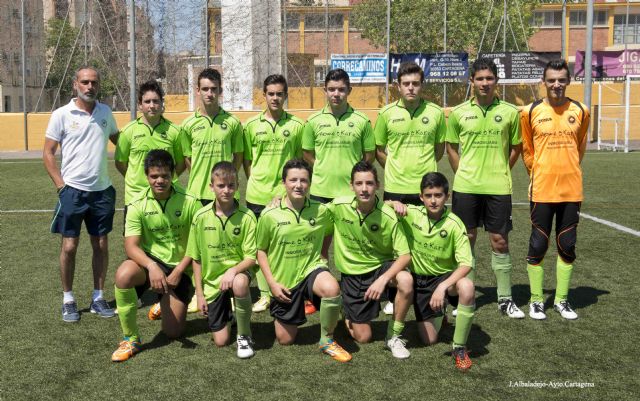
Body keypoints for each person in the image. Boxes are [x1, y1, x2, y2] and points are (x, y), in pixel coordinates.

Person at [445, 58, 524, 318]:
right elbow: (451, 148)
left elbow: (515, 148)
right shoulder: (458, 113)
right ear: (472, 81)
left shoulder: (511, 112)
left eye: (489, 78)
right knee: (466, 241)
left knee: (500, 241)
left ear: (496, 81)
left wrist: (501, 169)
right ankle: (466, 297)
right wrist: (463, 173)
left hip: (498, 187)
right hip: (466, 186)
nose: (484, 83)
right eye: (480, 78)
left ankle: (505, 298)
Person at [256, 159, 351, 363]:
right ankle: (331, 308)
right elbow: (261, 250)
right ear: (284, 182)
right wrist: (271, 283)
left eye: (304, 180)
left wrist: (323, 254)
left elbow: (329, 229)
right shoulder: (269, 215)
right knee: (285, 340)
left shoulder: (321, 211)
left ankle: (327, 339)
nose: (298, 185)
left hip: (311, 270)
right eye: (293, 180)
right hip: (284, 281)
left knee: (331, 287)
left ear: (310, 183)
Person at [43, 66, 118, 322]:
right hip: (72, 192)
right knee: (70, 246)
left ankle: (98, 297)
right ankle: (68, 299)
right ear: (75, 84)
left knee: (101, 244)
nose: (90, 87)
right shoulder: (62, 114)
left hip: (101, 192)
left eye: (94, 83)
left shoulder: (106, 113)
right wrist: (60, 185)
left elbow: (123, 143)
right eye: (85, 82)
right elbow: (48, 153)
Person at [111, 150, 201, 362]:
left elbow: (198, 244)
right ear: (146, 176)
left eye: (165, 176)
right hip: (151, 264)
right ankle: (130, 338)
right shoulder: (137, 204)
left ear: (173, 175)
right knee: (124, 274)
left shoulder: (190, 201)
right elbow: (131, 246)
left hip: (181, 267)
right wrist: (152, 266)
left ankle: (165, 300)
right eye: (154, 176)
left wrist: (179, 270)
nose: (160, 180)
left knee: (173, 333)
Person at [374, 61, 446, 316]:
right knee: (395, 244)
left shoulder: (436, 113)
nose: (411, 88)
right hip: (395, 188)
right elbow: (379, 150)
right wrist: (395, 167)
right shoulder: (386, 114)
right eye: (406, 84)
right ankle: (394, 295)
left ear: (422, 85)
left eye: (416, 83)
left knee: (423, 240)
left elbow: (440, 149)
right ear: (398, 86)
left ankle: (423, 291)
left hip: (425, 189)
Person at [520, 59, 589, 321]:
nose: (556, 84)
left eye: (561, 79)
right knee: (538, 244)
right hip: (542, 190)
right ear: (544, 82)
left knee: (567, 245)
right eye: (551, 80)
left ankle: (561, 300)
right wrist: (539, 172)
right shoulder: (530, 111)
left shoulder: (581, 110)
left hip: (572, 190)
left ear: (568, 80)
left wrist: (567, 169)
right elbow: (528, 149)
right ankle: (536, 301)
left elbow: (580, 147)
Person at [326, 161, 413, 359]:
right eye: (359, 183)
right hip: (353, 276)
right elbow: (310, 209)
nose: (364, 189)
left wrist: (383, 280)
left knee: (406, 280)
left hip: (381, 269)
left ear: (377, 185)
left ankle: (394, 336)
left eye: (369, 183)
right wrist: (279, 200)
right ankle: (344, 308)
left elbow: (405, 255)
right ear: (351, 186)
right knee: (363, 337)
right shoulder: (339, 207)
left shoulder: (388, 214)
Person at [115, 80, 186, 320]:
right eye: (147, 101)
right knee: (135, 250)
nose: (152, 105)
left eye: (156, 101)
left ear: (162, 104)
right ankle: (135, 295)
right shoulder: (129, 132)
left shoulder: (174, 132)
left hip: (165, 198)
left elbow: (178, 164)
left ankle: (165, 294)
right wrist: (137, 183)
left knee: (167, 244)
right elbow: (121, 162)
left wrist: (164, 183)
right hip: (136, 199)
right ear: (140, 104)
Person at [391, 172, 476, 371]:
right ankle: (439, 314)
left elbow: (466, 264)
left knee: (467, 286)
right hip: (418, 281)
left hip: (444, 279)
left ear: (447, 197)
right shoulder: (412, 213)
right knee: (429, 340)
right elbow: (383, 205)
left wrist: (442, 286)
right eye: (428, 195)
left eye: (438, 195)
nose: (433, 200)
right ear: (421, 197)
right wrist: (394, 203)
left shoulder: (455, 224)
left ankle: (459, 347)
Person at [243, 74, 304, 313]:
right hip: (257, 195)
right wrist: (258, 183)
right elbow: (247, 161)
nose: (275, 98)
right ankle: (265, 294)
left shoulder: (297, 126)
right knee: (259, 247)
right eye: (271, 94)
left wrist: (284, 192)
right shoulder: (251, 126)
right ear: (264, 96)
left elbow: (298, 162)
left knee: (287, 246)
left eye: (280, 94)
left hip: (285, 197)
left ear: (286, 95)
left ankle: (293, 288)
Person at [188, 162, 257, 358]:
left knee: (241, 282)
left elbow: (251, 257)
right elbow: (197, 258)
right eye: (221, 185)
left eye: (231, 185)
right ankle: (229, 315)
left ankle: (244, 336)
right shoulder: (200, 217)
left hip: (237, 274)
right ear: (211, 186)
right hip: (212, 283)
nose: (226, 190)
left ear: (237, 186)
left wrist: (233, 270)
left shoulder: (247, 216)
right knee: (220, 341)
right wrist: (199, 294)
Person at [302, 68, 376, 203]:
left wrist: (356, 175)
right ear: (325, 90)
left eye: (341, 90)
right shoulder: (313, 121)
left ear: (349, 90)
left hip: (351, 192)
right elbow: (307, 154)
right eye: (331, 89)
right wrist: (322, 168)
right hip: (320, 191)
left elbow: (369, 156)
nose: (336, 94)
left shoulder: (362, 121)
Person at [181, 68, 243, 204]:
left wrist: (227, 178)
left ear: (220, 91)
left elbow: (238, 156)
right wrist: (198, 177)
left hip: (225, 193)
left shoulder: (233, 122)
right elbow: (187, 157)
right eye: (205, 89)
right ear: (198, 90)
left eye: (214, 89)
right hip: (197, 194)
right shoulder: (187, 124)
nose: (209, 93)